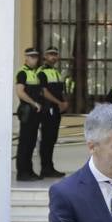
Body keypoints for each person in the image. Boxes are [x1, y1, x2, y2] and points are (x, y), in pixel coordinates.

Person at [15, 47, 45, 182]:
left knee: (31, 142)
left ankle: (29, 171)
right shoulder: (22, 72)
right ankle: (22, 173)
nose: (34, 59)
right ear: (26, 57)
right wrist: (33, 103)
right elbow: (20, 92)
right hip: (27, 111)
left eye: (36, 57)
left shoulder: (35, 73)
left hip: (35, 113)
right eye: (32, 57)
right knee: (25, 142)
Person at [39, 46, 69, 178]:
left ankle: (50, 167)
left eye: (55, 54)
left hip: (56, 110)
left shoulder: (56, 72)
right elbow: (44, 92)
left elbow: (60, 91)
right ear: (45, 56)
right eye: (50, 54)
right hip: (48, 109)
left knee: (52, 139)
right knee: (47, 139)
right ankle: (45, 168)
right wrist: (59, 103)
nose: (53, 57)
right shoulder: (42, 72)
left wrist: (64, 102)